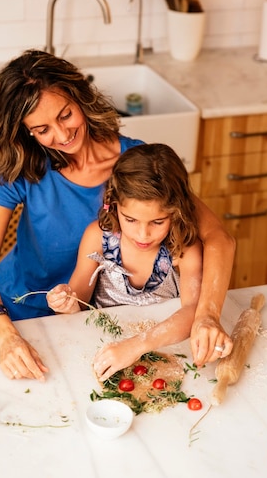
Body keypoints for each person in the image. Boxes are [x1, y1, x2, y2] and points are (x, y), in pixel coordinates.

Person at [0, 50, 235, 382]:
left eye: (65, 115)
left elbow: (219, 238)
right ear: (26, 133)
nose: (62, 135)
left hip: (88, 318)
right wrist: (5, 333)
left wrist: (206, 314)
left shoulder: (135, 165)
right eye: (42, 129)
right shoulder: (23, 170)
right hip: (12, 312)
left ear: (80, 98)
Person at [47, 143, 206, 381]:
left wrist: (136, 346)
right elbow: (78, 303)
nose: (143, 234)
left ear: (177, 211)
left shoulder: (183, 247)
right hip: (103, 351)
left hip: (168, 353)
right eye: (130, 220)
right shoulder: (98, 237)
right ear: (113, 204)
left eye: (158, 222)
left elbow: (194, 311)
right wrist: (67, 305)